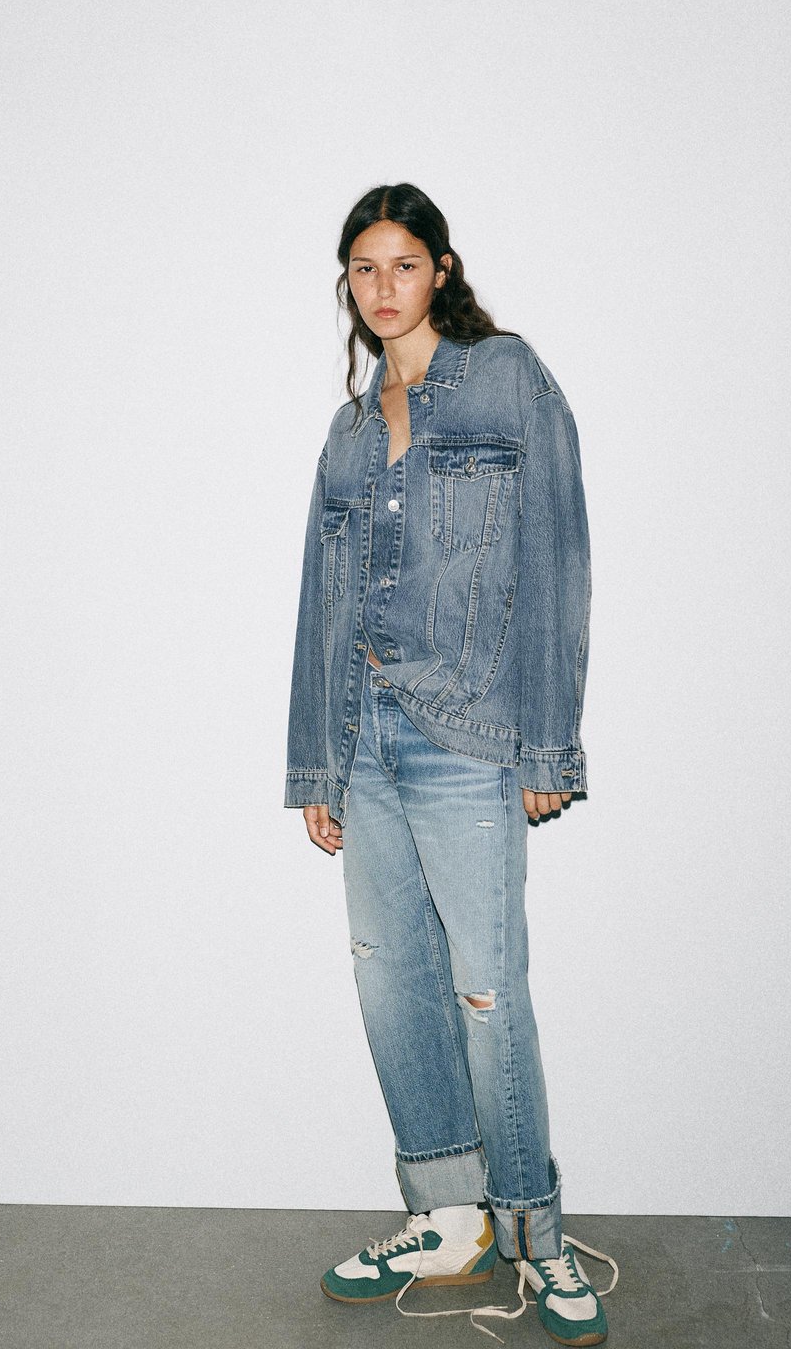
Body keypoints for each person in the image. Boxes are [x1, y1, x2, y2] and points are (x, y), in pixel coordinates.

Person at [284, 184, 617, 1345]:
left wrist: (546, 742)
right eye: (363, 268)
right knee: (392, 983)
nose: (384, 288)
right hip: (365, 738)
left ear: (442, 270)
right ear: (349, 282)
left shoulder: (507, 379)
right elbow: (322, 604)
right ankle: (448, 1219)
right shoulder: (347, 429)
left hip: (470, 736)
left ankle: (536, 1234)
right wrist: (317, 764)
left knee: (487, 991)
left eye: (404, 264)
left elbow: (557, 555)